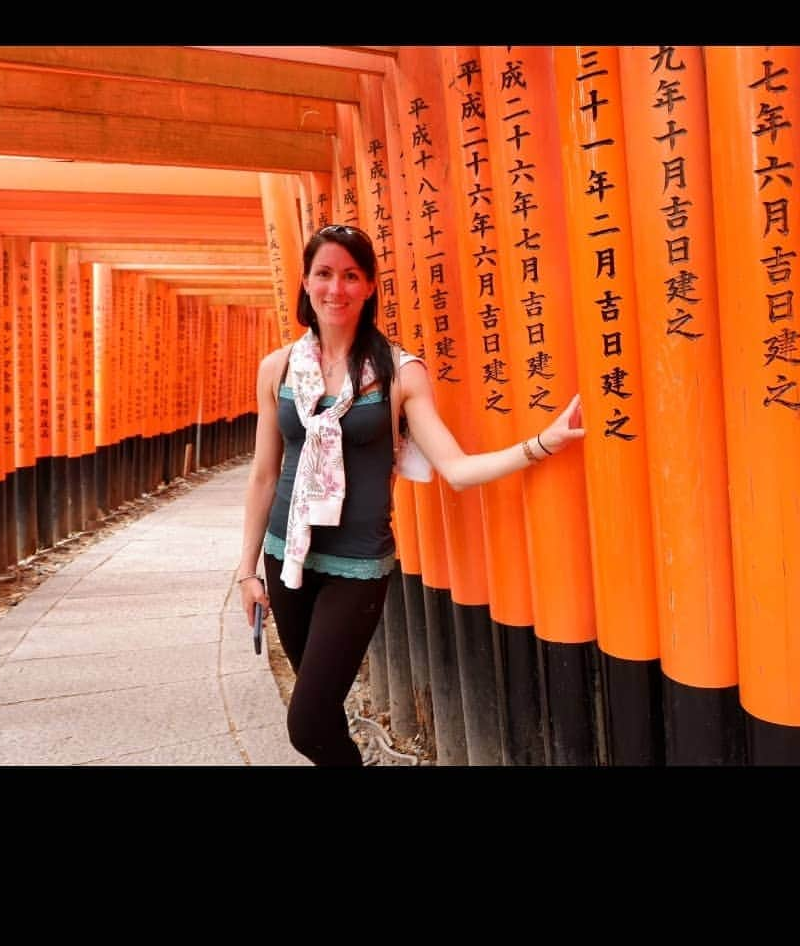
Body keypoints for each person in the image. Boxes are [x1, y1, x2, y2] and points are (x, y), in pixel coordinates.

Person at [234, 223, 585, 766]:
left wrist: (543, 443)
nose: (336, 289)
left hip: (356, 567)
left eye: (351, 276)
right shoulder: (277, 368)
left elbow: (457, 469)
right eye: (324, 274)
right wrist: (246, 568)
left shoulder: (399, 372)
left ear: (370, 285)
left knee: (305, 726)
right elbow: (263, 473)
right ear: (305, 282)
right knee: (322, 716)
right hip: (288, 558)